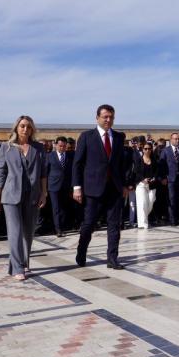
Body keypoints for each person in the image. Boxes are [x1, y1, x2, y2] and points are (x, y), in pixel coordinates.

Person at [72, 104, 130, 269]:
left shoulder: (119, 137)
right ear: (97, 118)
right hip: (93, 189)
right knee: (89, 224)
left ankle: (112, 259)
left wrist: (125, 185)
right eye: (105, 117)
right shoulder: (86, 136)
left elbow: (122, 164)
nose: (108, 120)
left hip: (114, 189)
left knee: (114, 225)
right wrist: (77, 187)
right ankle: (81, 252)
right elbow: (77, 164)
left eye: (111, 117)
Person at [0, 115, 47, 280]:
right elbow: (1, 172)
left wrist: (44, 193)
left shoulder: (38, 147)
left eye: (29, 126)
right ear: (16, 127)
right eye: (22, 126)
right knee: (15, 232)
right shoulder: (6, 147)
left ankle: (23, 263)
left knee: (28, 232)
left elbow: (43, 173)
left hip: (32, 195)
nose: (25, 129)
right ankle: (17, 267)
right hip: (10, 195)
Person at [129, 141, 163, 229]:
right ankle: (143, 224)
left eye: (149, 149)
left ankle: (143, 218)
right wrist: (143, 179)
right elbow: (136, 173)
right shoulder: (138, 160)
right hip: (141, 185)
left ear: (151, 150)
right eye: (145, 149)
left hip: (152, 185)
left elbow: (156, 172)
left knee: (151, 202)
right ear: (143, 150)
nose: (147, 150)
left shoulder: (154, 160)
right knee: (142, 204)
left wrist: (154, 178)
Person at [44, 136, 73, 236]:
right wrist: (45, 188)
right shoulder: (49, 156)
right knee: (55, 208)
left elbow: (71, 172)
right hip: (53, 187)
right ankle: (58, 229)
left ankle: (62, 226)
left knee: (64, 208)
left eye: (64, 146)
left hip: (65, 186)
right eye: (60, 146)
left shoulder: (70, 156)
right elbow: (46, 173)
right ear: (56, 145)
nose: (62, 148)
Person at [162, 133, 179, 225]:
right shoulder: (166, 151)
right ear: (171, 140)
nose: (177, 140)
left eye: (178, 139)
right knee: (171, 199)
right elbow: (162, 165)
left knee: (178, 199)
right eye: (175, 139)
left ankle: (176, 217)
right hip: (170, 179)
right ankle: (172, 219)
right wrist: (163, 177)